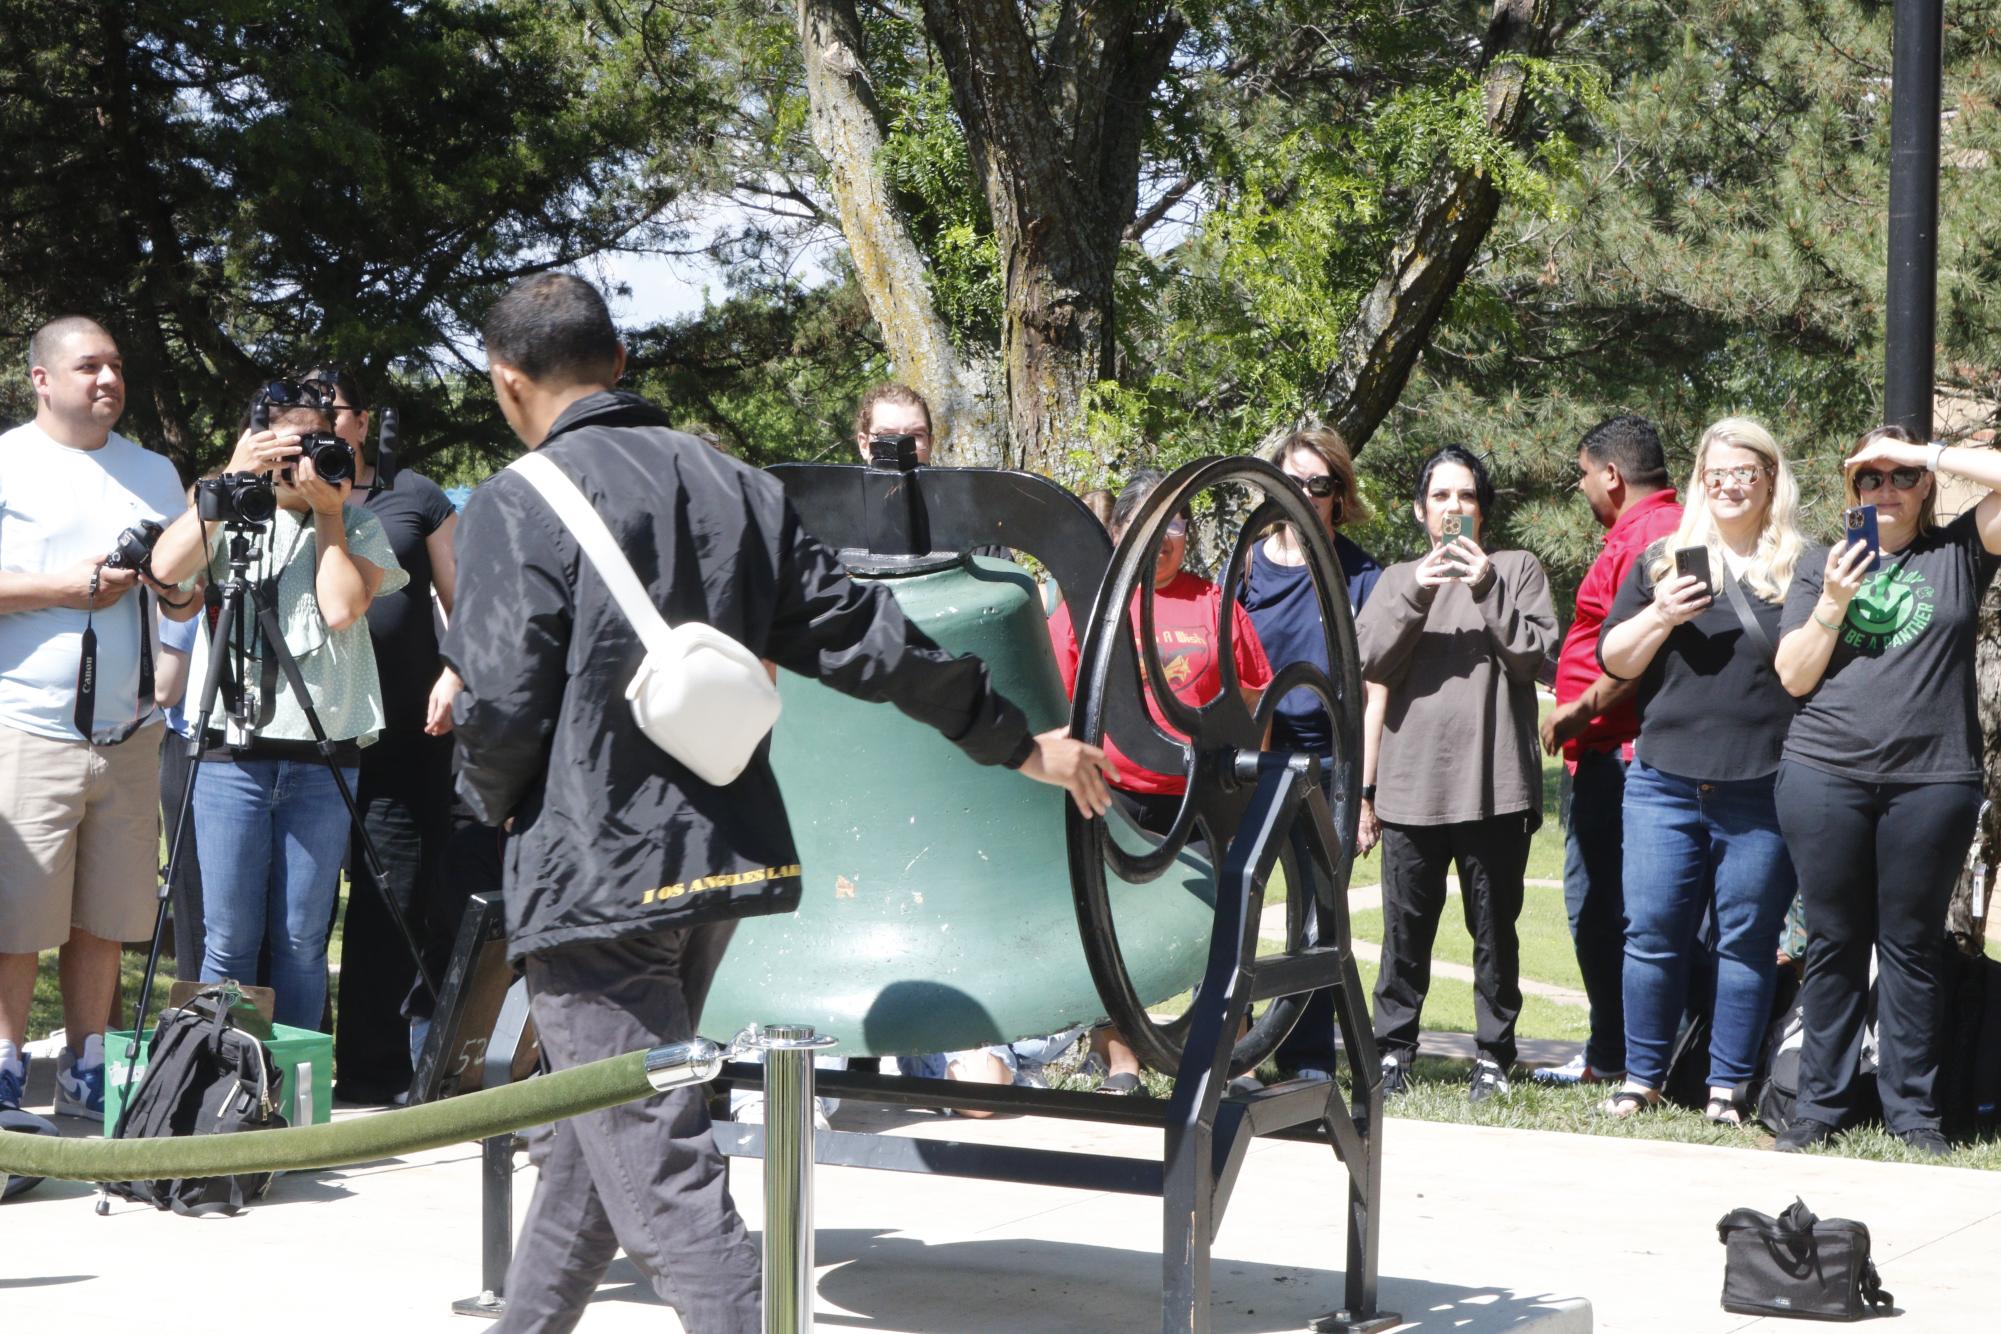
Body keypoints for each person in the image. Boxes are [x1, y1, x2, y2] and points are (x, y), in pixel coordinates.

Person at [442, 272, 1113, 1333]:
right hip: (716, 863)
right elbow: (865, 635)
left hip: (593, 880)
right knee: (594, 1146)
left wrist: (486, 801)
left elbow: (504, 709)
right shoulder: (737, 486)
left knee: (657, 1169)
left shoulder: (513, 504)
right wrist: (1014, 739)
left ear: (506, 381)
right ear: (619, 364)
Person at [1769, 424, 2001, 1157]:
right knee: (1834, 942)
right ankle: (1817, 1107)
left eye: (1899, 477)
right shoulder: (1820, 563)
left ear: (1924, 485)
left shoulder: (1958, 553)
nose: (1885, 490)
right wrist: (1834, 599)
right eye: (1869, 478)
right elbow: (1793, 675)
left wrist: (1924, 451)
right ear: (1852, 492)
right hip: (1824, 774)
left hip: (1930, 781)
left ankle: (1912, 1114)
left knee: (1910, 946)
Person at [148, 384, 407, 1032]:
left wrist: (328, 515)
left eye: (319, 444)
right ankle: (214, 1089)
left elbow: (341, 609)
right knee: (228, 939)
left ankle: (293, 1101)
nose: (306, 462)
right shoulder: (228, 510)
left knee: (300, 941)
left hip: (322, 757)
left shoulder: (359, 524)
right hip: (229, 753)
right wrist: (231, 477)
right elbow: (165, 567)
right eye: (289, 446)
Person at [0, 316, 195, 1117]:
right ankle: (6, 1073)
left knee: (106, 919)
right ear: (42, 379)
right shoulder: (8, 461)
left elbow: (187, 587)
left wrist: (174, 594)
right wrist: (61, 588)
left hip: (128, 733)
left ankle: (90, 1071)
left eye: (116, 365)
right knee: (14, 918)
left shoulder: (154, 470)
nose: (108, 379)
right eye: (89, 367)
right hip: (25, 727)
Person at [1593, 418, 1803, 1124]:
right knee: (1651, 932)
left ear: (1769, 479)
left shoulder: (1802, 565)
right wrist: (1658, 615)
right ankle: (1641, 1077)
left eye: (1744, 471)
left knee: (1747, 942)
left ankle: (1726, 1091)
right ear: (1699, 482)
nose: (1730, 485)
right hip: (1662, 782)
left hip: (1760, 786)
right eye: (1717, 473)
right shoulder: (1663, 557)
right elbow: (1614, 660)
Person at [1048, 470, 1274, 1093]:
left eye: (1175, 522)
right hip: (1113, 795)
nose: (1162, 537)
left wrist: (1251, 788)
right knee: (1110, 927)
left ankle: (1233, 1056)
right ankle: (1120, 1057)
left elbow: (1256, 698)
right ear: (1119, 530)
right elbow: (1053, 697)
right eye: (1148, 522)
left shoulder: (1213, 605)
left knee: (1221, 929)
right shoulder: (1088, 605)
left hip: (1200, 798)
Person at [1356, 445, 1557, 1103]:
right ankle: (1391, 1052)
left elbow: (1534, 658)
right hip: (1410, 789)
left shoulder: (1515, 569)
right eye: (1439, 497)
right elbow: (1368, 658)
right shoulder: (1395, 580)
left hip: (1494, 786)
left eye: (1464, 497)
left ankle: (1493, 1058)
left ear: (1481, 510)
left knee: (1494, 934)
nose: (1451, 508)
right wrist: (1421, 585)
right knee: (1403, 936)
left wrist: (1483, 586)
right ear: (1420, 511)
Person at [300, 366, 461, 1103]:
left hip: (400, 738)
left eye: (333, 411)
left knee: (388, 904)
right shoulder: (277, 490)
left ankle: (372, 1070)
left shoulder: (417, 496)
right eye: (306, 410)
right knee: (299, 910)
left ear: (362, 421)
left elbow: (465, 605)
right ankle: (290, 1068)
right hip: (302, 738)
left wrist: (456, 674)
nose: (322, 424)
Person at [1534, 414, 1681, 1087]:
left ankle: (1617, 1056)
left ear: (1612, 475)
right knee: (1608, 909)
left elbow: (1641, 650)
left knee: (1602, 910)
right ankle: (1614, 1051)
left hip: (1621, 756)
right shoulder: (1642, 531)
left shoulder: (1650, 535)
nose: (1582, 487)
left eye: (1583, 474)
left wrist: (1574, 713)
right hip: (1605, 752)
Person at [1240, 427, 1382, 1082]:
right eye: (1291, 481)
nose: (1302, 495)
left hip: (1327, 763)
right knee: (1227, 909)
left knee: (1317, 918)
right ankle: (1227, 1051)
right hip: (1251, 759)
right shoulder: (1242, 567)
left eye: (1317, 485)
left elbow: (1373, 692)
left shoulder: (1361, 577)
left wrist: (1362, 795)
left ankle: (1306, 1063)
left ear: (1337, 495)